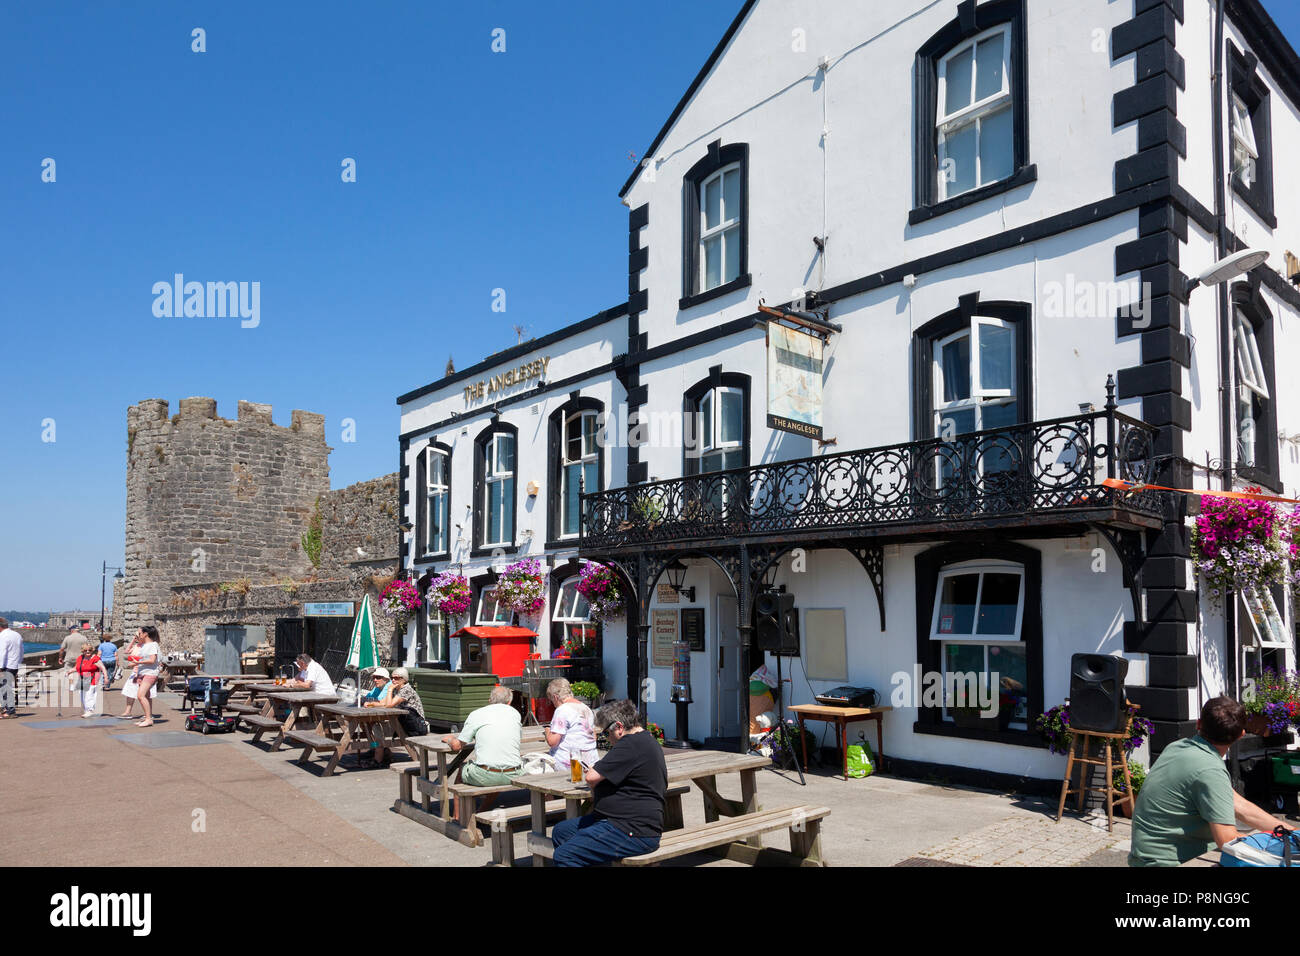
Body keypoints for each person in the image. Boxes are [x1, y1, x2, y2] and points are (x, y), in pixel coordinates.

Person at [1129, 696, 1296, 866]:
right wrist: (1279, 845)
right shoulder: (1210, 770)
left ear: (1198, 723)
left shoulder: (1178, 746)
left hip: (1144, 857)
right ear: (1241, 735)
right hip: (1166, 863)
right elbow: (1228, 841)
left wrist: (1290, 833)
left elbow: (1238, 805)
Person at [551, 699, 667, 866]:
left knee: (565, 856)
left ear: (619, 727)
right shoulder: (645, 740)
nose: (606, 738)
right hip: (622, 822)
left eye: (606, 733)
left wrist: (594, 776)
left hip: (633, 830)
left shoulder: (629, 744)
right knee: (561, 832)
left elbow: (591, 778)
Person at [443, 685, 522, 816]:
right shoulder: (515, 714)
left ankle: (458, 818)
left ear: (489, 700)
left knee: (462, 770)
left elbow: (457, 746)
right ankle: (481, 811)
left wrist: (450, 739)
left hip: (486, 774)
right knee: (498, 766)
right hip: (514, 773)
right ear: (509, 702)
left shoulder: (477, 714)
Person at [545, 678, 598, 772]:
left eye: (552, 701)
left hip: (569, 764)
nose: (553, 704)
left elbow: (553, 742)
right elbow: (593, 736)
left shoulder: (562, 710)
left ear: (555, 697)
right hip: (590, 761)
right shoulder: (586, 708)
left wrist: (547, 731)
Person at [129, 626, 162, 727]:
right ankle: (147, 717)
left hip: (150, 673)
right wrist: (136, 663)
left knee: (140, 695)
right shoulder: (145, 645)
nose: (138, 635)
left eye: (139, 633)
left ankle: (148, 719)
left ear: (145, 634)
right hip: (143, 672)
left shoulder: (152, 645)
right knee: (146, 696)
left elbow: (152, 660)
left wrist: (137, 662)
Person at [70, 644, 107, 718]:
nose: (87, 652)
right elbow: (77, 667)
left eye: (89, 650)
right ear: (82, 651)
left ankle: (90, 710)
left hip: (93, 678)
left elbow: (103, 667)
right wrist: (70, 671)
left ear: (92, 650)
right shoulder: (80, 658)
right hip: (83, 678)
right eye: (85, 650)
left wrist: (106, 677)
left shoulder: (95, 658)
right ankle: (87, 710)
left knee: (89, 694)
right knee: (82, 695)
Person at [115, 633, 146, 719]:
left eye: (137, 637)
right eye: (136, 637)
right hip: (135, 672)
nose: (136, 638)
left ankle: (147, 713)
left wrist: (134, 663)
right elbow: (126, 651)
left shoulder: (145, 647)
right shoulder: (136, 646)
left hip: (142, 672)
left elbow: (145, 659)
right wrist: (133, 640)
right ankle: (128, 711)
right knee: (129, 691)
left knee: (143, 694)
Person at [0, 618, 22, 718]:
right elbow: (21, 651)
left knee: (5, 688)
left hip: (6, 666)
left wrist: (0, 667)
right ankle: (6, 709)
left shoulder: (3, 636)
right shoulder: (17, 635)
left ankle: (10, 711)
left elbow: (2, 653)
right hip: (14, 665)